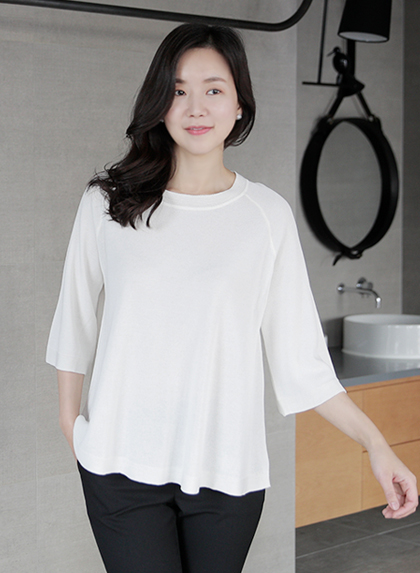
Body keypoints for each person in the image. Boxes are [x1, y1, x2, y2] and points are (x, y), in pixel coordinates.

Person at [46, 23, 418, 573]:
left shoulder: (266, 216)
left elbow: (303, 361)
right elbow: (74, 318)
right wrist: (71, 424)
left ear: (239, 104)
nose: (195, 107)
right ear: (159, 101)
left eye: (214, 89)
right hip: (119, 465)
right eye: (178, 90)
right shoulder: (108, 202)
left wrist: (377, 445)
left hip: (226, 473)